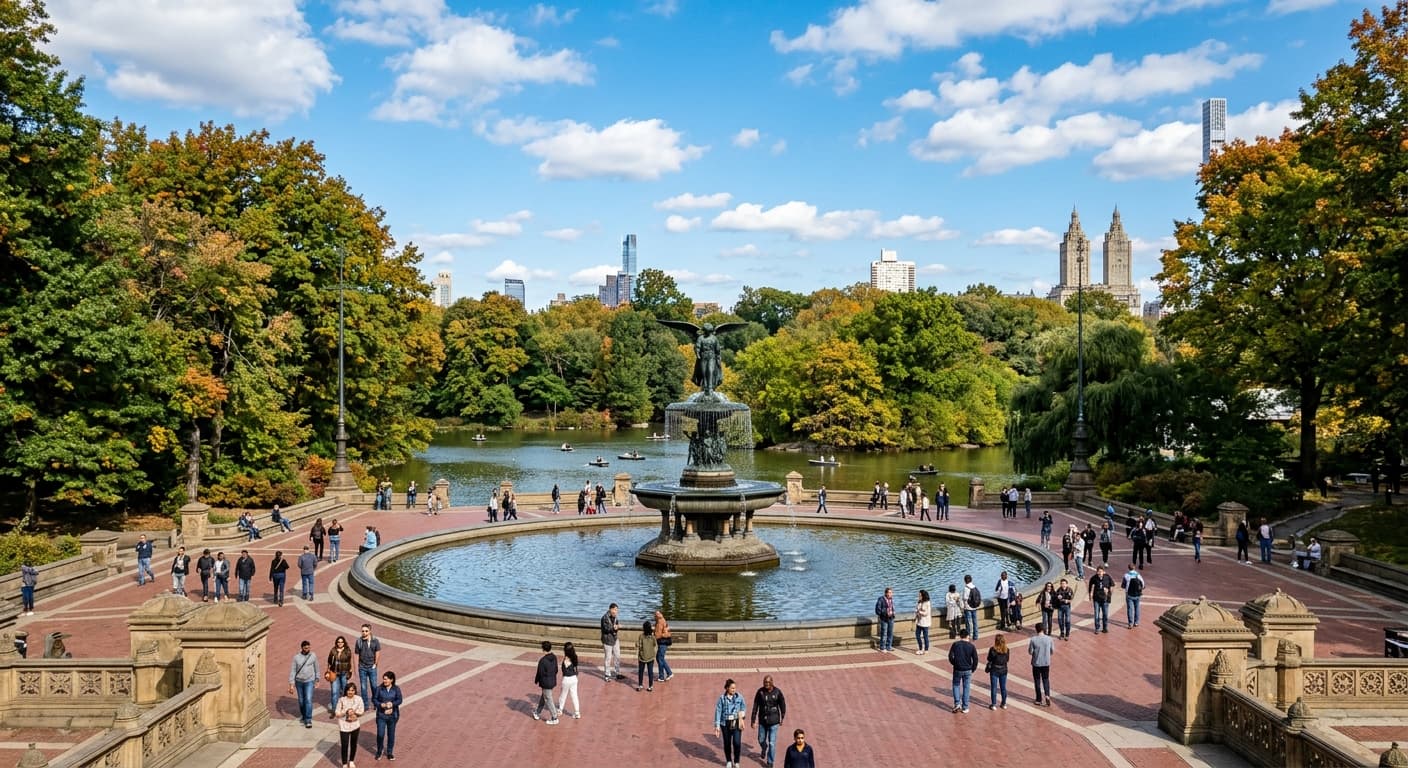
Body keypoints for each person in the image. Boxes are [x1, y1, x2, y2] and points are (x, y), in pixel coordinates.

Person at [751, 675, 787, 768]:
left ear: (772, 682)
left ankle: (770, 761)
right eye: (764, 682)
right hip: (762, 721)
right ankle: (764, 747)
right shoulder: (760, 692)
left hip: (774, 721)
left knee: (772, 743)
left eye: (768, 682)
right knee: (761, 739)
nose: (766, 684)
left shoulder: (777, 692)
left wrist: (782, 716)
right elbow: (755, 706)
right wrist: (753, 720)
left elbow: (782, 704)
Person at [714, 678, 747, 768]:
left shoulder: (739, 697)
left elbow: (743, 707)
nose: (734, 690)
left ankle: (736, 761)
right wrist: (717, 726)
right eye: (732, 688)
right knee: (727, 743)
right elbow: (718, 712)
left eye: (735, 688)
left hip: (736, 722)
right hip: (725, 723)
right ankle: (728, 760)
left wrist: (742, 715)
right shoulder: (722, 698)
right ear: (727, 688)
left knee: (737, 742)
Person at [287, 640, 320, 728]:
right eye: (305, 648)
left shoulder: (313, 655)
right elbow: (293, 670)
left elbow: (317, 667)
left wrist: (317, 679)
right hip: (299, 682)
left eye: (309, 647)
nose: (307, 649)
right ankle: (304, 715)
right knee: (301, 701)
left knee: (308, 699)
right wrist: (291, 684)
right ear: (302, 648)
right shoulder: (296, 657)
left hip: (309, 680)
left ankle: (308, 719)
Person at [947, 627, 978, 713]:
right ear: (967, 636)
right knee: (966, 687)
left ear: (960, 636)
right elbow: (975, 659)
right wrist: (973, 668)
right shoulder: (971, 646)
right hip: (968, 669)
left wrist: (954, 663)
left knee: (956, 685)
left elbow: (950, 656)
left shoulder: (955, 644)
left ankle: (957, 703)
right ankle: (965, 706)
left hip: (957, 669)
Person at [373, 670, 402, 761]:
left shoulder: (396, 689)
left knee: (391, 734)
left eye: (386, 679)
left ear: (391, 680)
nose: (384, 681)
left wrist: (392, 704)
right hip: (381, 715)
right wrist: (380, 705)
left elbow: (400, 700)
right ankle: (379, 751)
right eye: (384, 679)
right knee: (380, 734)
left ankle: (389, 752)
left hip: (393, 716)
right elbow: (374, 699)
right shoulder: (379, 688)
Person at [335, 681, 364, 768]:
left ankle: (351, 761)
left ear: (355, 691)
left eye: (352, 690)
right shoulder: (341, 700)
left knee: (353, 744)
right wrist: (346, 711)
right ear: (346, 691)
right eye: (348, 690)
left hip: (355, 725)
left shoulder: (358, 699)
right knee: (344, 745)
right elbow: (337, 713)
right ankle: (344, 763)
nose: (350, 692)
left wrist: (355, 714)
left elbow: (361, 711)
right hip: (344, 725)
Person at [355, 624, 382, 710]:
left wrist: (375, 664)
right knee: (363, 687)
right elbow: (356, 654)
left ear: (370, 631)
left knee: (374, 686)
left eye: (366, 631)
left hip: (372, 667)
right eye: (363, 631)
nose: (364, 633)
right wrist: (357, 667)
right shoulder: (359, 641)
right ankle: (365, 705)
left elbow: (378, 652)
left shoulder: (375, 641)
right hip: (362, 667)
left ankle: (375, 702)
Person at [1029, 622, 1055, 706]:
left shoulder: (1033, 639)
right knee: (1046, 679)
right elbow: (1052, 650)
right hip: (1046, 663)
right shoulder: (1049, 639)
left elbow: (1030, 652)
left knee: (1037, 680)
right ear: (1043, 629)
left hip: (1036, 663)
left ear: (1036, 630)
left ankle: (1039, 699)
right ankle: (1047, 695)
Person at [327, 636, 353, 716]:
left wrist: (350, 671)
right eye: (338, 642)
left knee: (345, 691)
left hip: (344, 673)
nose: (340, 643)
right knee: (334, 692)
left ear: (344, 643)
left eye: (341, 642)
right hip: (334, 673)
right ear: (336, 643)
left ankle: (345, 709)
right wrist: (328, 671)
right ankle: (334, 710)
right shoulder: (333, 650)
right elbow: (329, 662)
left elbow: (350, 661)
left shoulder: (347, 651)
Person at [558, 641, 582, 719]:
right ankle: (577, 713)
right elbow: (575, 668)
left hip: (566, 679)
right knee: (574, 696)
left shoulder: (566, 659)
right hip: (574, 679)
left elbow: (564, 670)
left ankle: (560, 710)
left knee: (563, 695)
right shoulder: (575, 657)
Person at [1087, 566, 1114, 633]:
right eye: (1098, 572)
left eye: (1101, 571)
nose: (1099, 573)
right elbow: (1090, 585)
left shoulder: (1107, 577)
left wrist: (1109, 592)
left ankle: (1105, 628)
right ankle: (1097, 628)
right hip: (1096, 599)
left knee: (1105, 614)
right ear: (1097, 572)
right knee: (1096, 614)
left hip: (1105, 599)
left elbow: (1112, 585)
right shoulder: (1094, 578)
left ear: (1103, 572)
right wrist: (1090, 594)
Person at [987, 633, 1010, 709]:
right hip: (1003, 670)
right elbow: (1007, 659)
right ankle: (1004, 703)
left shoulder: (993, 649)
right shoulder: (1007, 650)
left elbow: (989, 659)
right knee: (1003, 687)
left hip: (994, 669)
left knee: (994, 687)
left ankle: (993, 704)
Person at [600, 603, 621, 681]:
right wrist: (613, 628)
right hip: (607, 640)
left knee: (617, 656)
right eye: (615, 610)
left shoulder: (615, 617)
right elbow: (605, 629)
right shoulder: (604, 618)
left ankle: (617, 673)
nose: (616, 612)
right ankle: (607, 674)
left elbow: (616, 627)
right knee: (608, 658)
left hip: (615, 639)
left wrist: (617, 627)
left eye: (617, 610)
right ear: (611, 609)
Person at [1122, 563, 1146, 628]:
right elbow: (1143, 584)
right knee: (1137, 608)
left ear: (1128, 568)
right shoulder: (1138, 575)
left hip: (1129, 594)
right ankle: (1136, 622)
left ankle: (1130, 623)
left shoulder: (1126, 575)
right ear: (1134, 568)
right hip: (1137, 594)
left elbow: (1123, 585)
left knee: (1130, 609)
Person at [635, 620, 657, 691]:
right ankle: (650, 686)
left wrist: (636, 644)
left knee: (641, 671)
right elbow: (654, 644)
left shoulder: (641, 636)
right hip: (651, 656)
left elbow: (638, 645)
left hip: (642, 657)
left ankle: (640, 685)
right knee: (650, 672)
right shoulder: (652, 636)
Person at [654, 609, 674, 681]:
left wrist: (659, 636)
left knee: (660, 658)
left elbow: (666, 633)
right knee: (659, 658)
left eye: (657, 614)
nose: (656, 615)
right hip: (661, 643)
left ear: (661, 614)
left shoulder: (661, 621)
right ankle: (664, 675)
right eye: (655, 614)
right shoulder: (658, 621)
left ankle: (665, 675)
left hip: (663, 643)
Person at [874, 587, 896, 652]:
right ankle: (882, 647)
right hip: (884, 618)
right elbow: (878, 610)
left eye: (891, 593)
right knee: (884, 633)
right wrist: (884, 614)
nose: (890, 594)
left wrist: (893, 613)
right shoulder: (881, 599)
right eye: (889, 592)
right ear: (886, 593)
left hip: (891, 618)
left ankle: (889, 646)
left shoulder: (891, 599)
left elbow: (891, 607)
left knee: (890, 633)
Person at [962, 575, 981, 641]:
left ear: (965, 581)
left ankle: (969, 636)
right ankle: (976, 636)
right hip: (974, 607)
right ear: (971, 580)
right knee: (975, 622)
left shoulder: (966, 588)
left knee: (968, 623)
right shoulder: (974, 587)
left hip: (968, 607)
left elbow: (964, 598)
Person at [914, 589, 932, 655]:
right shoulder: (919, 602)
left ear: (923, 596)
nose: (919, 596)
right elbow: (916, 609)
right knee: (917, 635)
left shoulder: (927, 603)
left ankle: (926, 649)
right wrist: (916, 612)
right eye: (919, 595)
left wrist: (920, 612)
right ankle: (920, 648)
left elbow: (927, 613)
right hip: (919, 622)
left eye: (920, 595)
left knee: (925, 636)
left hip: (925, 622)